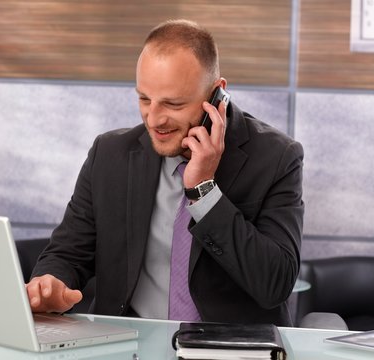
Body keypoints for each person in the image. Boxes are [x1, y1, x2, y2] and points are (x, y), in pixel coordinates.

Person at [26, 19, 304, 326]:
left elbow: (275, 284)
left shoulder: (277, 157)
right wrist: (49, 283)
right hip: (126, 343)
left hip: (227, 348)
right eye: (144, 99)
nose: (154, 119)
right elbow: (67, 254)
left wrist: (204, 192)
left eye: (172, 103)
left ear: (217, 96)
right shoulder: (110, 154)